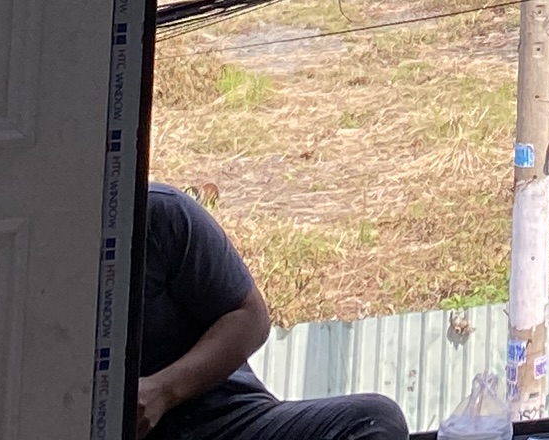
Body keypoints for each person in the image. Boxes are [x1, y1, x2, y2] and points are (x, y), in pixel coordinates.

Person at [132, 182, 411, 438]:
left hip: (230, 420)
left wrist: (162, 391)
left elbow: (250, 319)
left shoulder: (159, 215)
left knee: (374, 419)